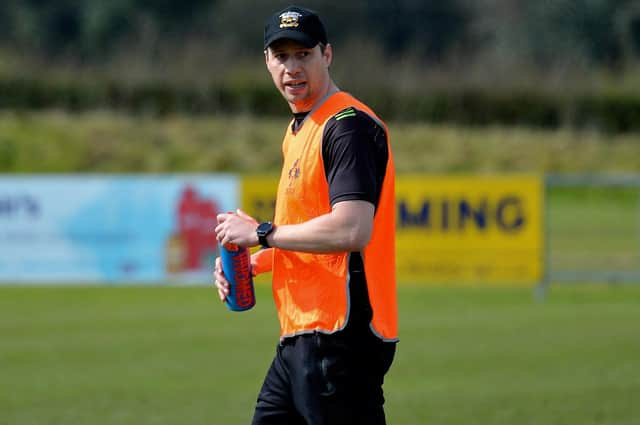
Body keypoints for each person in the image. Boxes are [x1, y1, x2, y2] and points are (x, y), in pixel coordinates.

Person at [213, 5, 398, 425]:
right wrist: (252, 263)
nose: (292, 67)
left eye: (304, 55)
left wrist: (261, 233)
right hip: (301, 337)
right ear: (267, 62)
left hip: (340, 337)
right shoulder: (300, 129)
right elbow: (309, 234)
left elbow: (352, 229)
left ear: (327, 55)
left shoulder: (346, 125)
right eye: (281, 56)